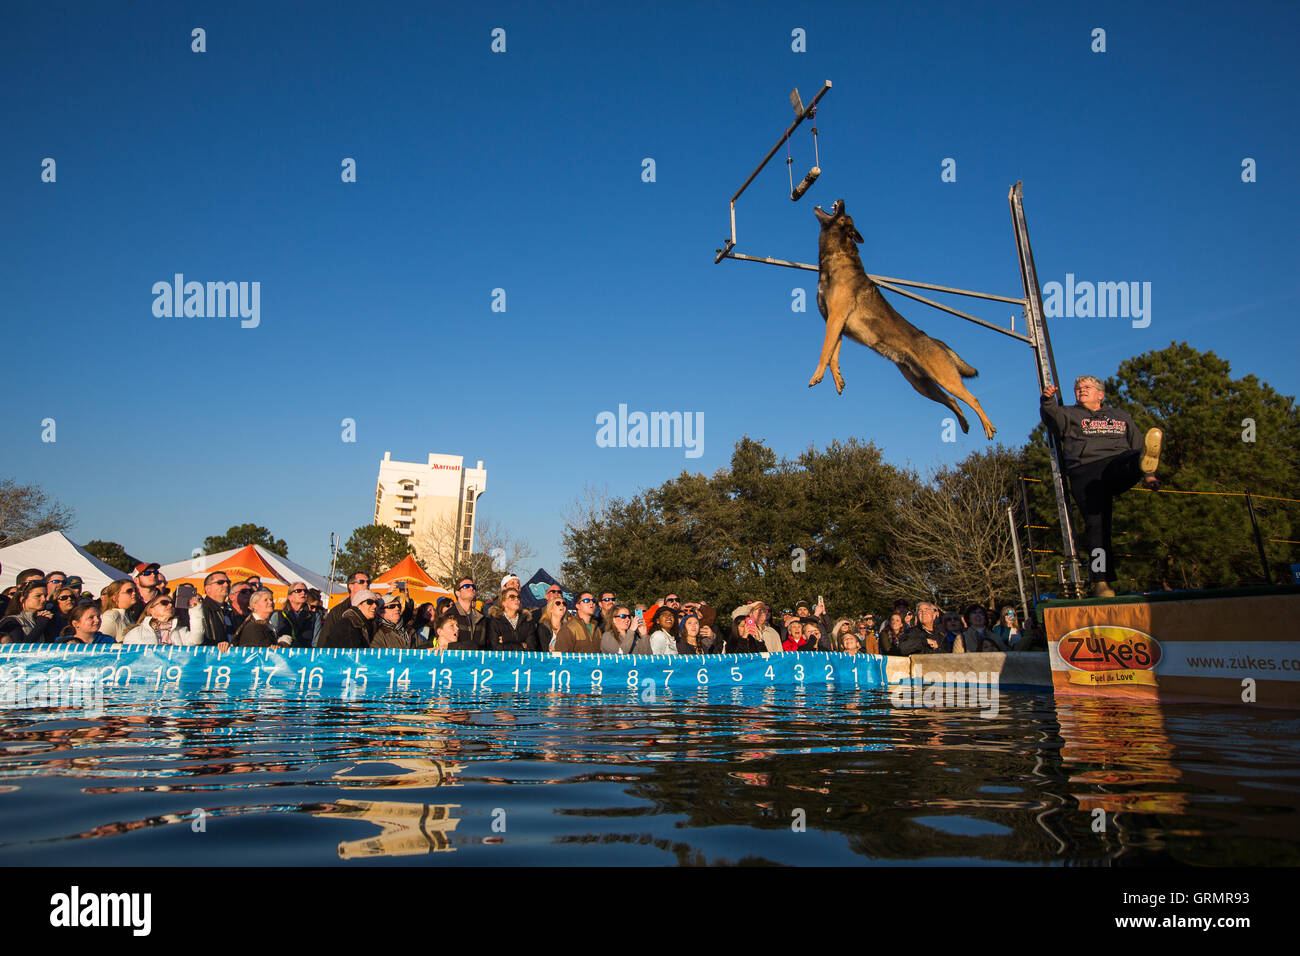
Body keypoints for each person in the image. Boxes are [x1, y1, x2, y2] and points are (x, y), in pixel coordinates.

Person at [1041, 376, 1163, 598]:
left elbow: (1137, 444)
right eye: (1077, 388)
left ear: (1100, 394)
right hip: (1086, 470)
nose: (1081, 391)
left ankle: (1143, 465)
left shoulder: (1121, 416)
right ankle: (1102, 582)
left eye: (1087, 388)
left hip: (1116, 464)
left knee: (1134, 455)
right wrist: (1047, 401)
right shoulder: (1070, 413)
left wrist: (1149, 474)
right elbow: (1052, 418)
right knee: (1097, 526)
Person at [122, 592, 204, 645]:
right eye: (164, 603)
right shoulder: (136, 633)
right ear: (151, 610)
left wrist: (195, 609)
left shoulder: (180, 631)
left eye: (172, 603)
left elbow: (196, 640)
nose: (170, 605)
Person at [318, 571, 372, 646]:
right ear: (351, 586)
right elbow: (324, 638)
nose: (366, 584)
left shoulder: (372, 609)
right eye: (361, 582)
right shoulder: (338, 611)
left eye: (368, 582)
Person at [484, 587, 537, 652]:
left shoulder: (527, 621)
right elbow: (495, 647)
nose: (517, 599)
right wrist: (521, 645)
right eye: (512, 597)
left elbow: (531, 647)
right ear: (503, 602)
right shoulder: (495, 621)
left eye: (518, 597)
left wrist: (505, 639)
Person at [269, 581, 319, 648]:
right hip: (283, 655)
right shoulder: (278, 615)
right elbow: (272, 639)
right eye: (298, 591)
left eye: (305, 591)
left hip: (305, 655)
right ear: (290, 597)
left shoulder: (315, 616)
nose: (303, 593)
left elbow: (316, 643)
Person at [195, 571, 236, 646]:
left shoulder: (230, 610)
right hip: (210, 655)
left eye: (228, 582)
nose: (226, 585)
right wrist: (218, 645)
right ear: (208, 589)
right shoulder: (200, 610)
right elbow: (196, 638)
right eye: (220, 582)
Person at [449, 577, 488, 648]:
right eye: (466, 586)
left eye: (473, 586)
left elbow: (486, 643)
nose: (471, 588)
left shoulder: (482, 618)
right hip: (455, 657)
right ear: (457, 593)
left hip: (478, 657)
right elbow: (445, 643)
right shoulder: (448, 615)